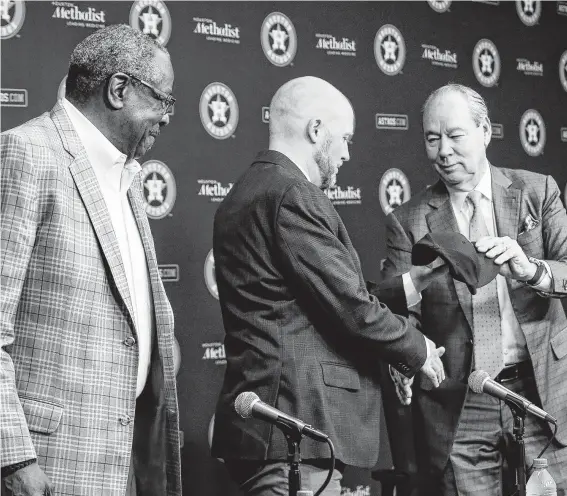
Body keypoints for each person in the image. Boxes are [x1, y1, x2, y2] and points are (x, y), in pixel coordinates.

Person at [211, 76, 447, 496]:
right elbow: (350, 307)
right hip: (292, 434)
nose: (347, 154)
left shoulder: (250, 191)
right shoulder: (292, 194)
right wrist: (418, 349)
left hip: (278, 435)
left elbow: (313, 298)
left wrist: (408, 291)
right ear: (316, 130)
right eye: (345, 139)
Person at [1, 25, 181, 496]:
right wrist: (13, 457)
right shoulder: (26, 153)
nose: (167, 117)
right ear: (119, 89)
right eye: (164, 100)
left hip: (124, 459)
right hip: (47, 466)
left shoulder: (126, 177)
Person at [383, 83, 567, 496]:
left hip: (543, 392)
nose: (443, 151)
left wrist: (530, 268)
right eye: (432, 139)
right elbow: (396, 310)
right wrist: (404, 356)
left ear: (485, 131)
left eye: (454, 135)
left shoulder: (536, 192)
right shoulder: (409, 221)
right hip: (462, 402)